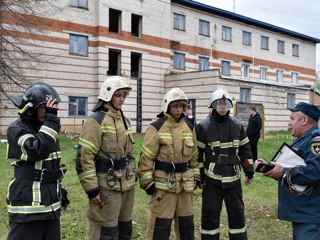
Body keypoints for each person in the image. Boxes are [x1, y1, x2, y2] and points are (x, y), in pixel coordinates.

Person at [6, 82, 69, 240]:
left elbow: (50, 165)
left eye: (53, 107)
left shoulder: (47, 129)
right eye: (45, 107)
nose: (50, 111)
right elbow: (36, 150)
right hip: (28, 208)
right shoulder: (16, 129)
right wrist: (51, 122)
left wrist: (60, 192)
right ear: (31, 108)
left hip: (50, 207)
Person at [76, 76, 136, 240]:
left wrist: (133, 174)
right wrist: (92, 189)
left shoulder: (125, 121)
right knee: (104, 232)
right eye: (118, 95)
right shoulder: (95, 121)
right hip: (106, 187)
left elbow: (130, 154)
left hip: (126, 185)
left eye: (124, 95)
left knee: (125, 230)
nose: (122, 99)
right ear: (107, 95)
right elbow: (84, 157)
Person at [138, 87, 200, 239]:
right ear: (167, 106)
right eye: (175, 106)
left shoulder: (189, 128)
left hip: (185, 188)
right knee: (159, 230)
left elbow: (194, 158)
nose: (179, 110)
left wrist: (197, 177)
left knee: (186, 230)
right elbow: (146, 158)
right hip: (163, 188)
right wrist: (147, 183)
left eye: (181, 106)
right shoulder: (156, 127)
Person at [196, 88, 254, 240]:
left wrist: (249, 170)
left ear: (229, 105)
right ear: (213, 105)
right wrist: (200, 176)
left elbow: (245, 150)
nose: (222, 106)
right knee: (209, 215)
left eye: (225, 103)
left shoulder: (237, 125)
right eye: (219, 103)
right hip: (211, 181)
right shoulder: (203, 127)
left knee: (237, 215)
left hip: (233, 180)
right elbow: (198, 154)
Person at [257, 102, 320, 240]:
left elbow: (315, 172)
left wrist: (283, 171)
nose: (289, 123)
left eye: (292, 119)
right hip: (302, 213)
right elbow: (295, 168)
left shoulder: (315, 140)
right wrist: (274, 170)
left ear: (304, 120)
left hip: (310, 216)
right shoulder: (303, 139)